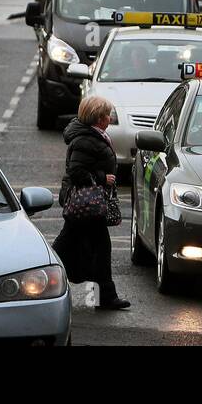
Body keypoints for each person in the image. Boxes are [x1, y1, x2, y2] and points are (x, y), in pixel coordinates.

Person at [53, 95, 130, 311]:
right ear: (97, 117)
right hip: (85, 202)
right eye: (107, 114)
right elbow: (76, 171)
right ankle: (38, 280)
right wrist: (101, 177)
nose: (110, 117)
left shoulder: (92, 135)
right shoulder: (86, 140)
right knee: (90, 246)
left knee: (79, 245)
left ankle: (102, 297)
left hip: (86, 203)